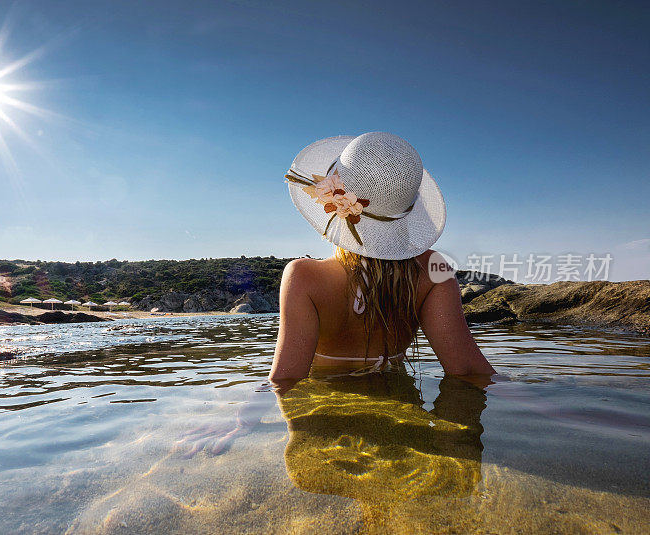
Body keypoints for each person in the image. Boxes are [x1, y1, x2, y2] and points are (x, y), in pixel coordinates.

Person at [175, 132, 495, 457]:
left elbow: (286, 379)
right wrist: (539, 404)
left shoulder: (304, 278)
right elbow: (468, 371)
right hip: (402, 406)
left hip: (329, 416)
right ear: (407, 211)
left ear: (330, 205)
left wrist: (242, 422)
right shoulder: (433, 271)